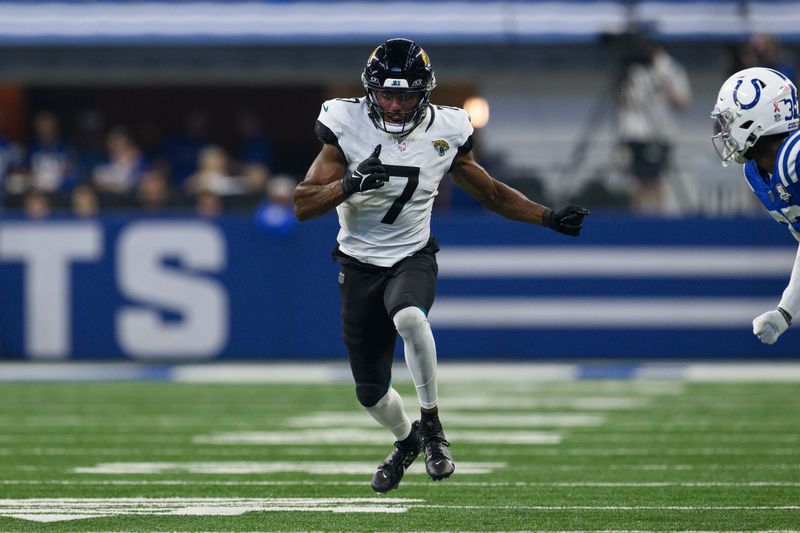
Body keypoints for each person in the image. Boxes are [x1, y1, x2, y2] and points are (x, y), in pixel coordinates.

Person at [292, 38, 589, 493]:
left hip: (412, 255)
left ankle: (432, 427)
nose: (394, 104)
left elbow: (490, 193)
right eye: (387, 94)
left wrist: (546, 217)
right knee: (369, 394)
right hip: (357, 264)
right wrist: (349, 183)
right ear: (370, 91)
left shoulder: (445, 128)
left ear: (424, 93)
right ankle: (406, 440)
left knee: (410, 316)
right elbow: (303, 204)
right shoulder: (345, 123)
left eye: (405, 95)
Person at [711, 67, 800, 345]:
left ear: (756, 119)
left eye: (728, 121)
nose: (722, 131)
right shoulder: (757, 174)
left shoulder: (793, 159)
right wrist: (786, 310)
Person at [616, 37, 691, 214]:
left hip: (658, 133)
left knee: (655, 180)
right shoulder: (633, 69)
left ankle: (657, 220)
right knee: (636, 181)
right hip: (634, 133)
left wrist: (664, 83)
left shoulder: (671, 68)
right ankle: (637, 222)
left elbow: (682, 103)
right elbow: (622, 100)